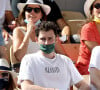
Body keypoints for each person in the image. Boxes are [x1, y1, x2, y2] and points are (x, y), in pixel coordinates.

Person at [18, 21, 90, 90]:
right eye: (43, 39)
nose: (46, 43)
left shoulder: (65, 60)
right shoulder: (29, 59)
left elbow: (82, 84)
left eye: (50, 39)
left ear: (56, 39)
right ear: (36, 40)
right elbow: (26, 87)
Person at [76, 0, 100, 75]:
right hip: (88, 69)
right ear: (92, 11)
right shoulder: (87, 28)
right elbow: (97, 53)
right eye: (98, 6)